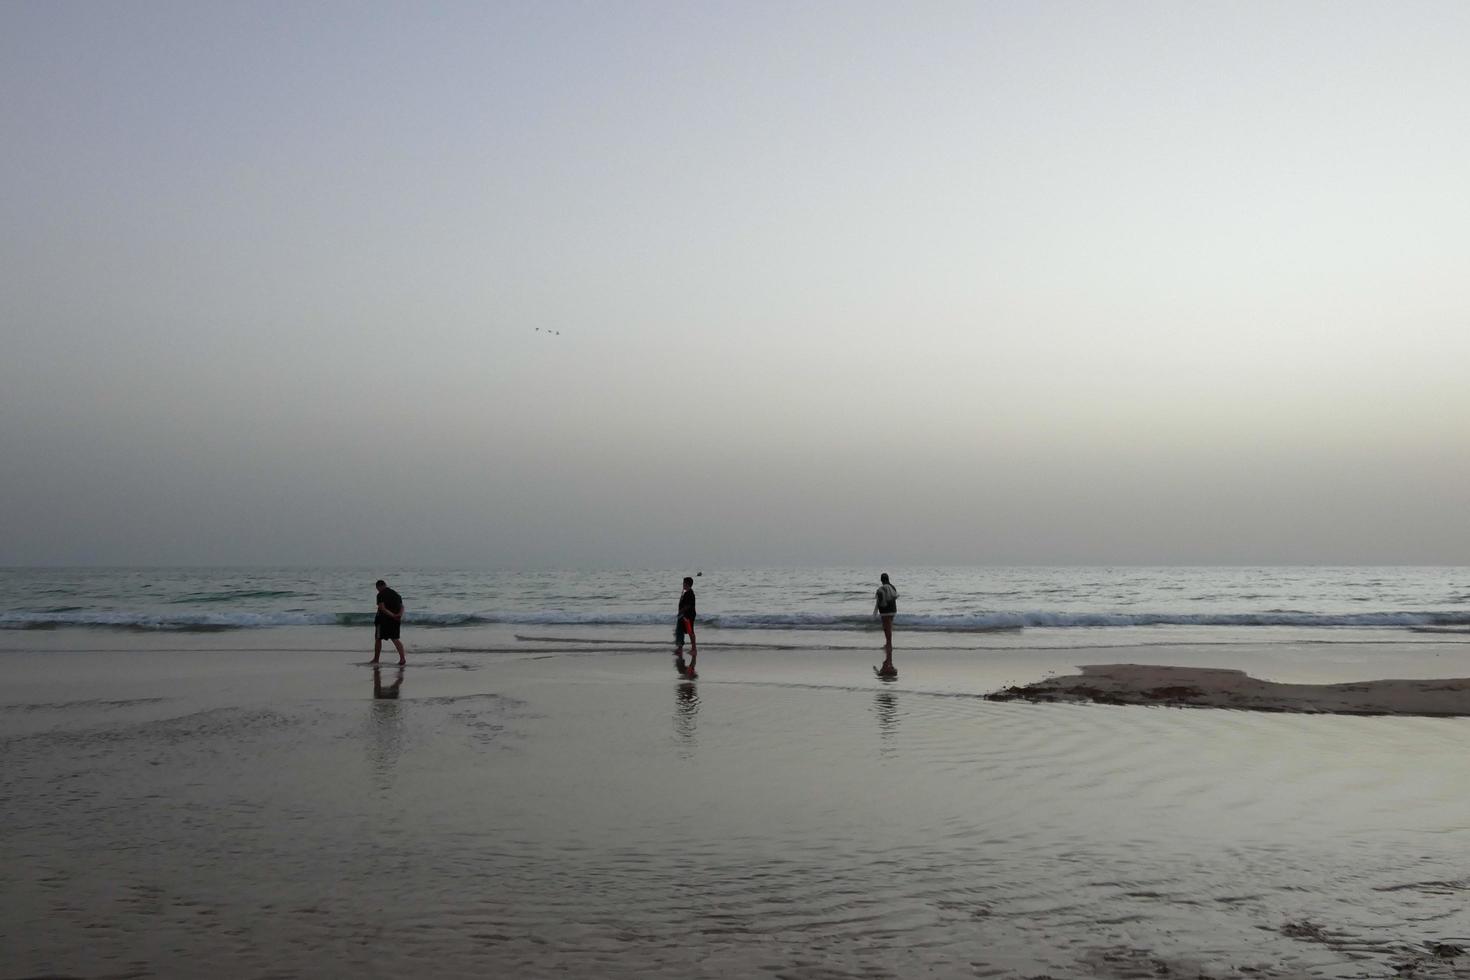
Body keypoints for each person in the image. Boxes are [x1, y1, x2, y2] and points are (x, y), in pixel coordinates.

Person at [372, 579, 406, 666]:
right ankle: (402, 658)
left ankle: (376, 659)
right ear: (385, 584)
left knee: (378, 639)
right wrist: (398, 615)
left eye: (377, 588)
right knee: (395, 639)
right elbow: (402, 606)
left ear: (378, 587)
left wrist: (392, 615)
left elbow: (382, 608)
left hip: (382, 620)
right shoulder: (396, 594)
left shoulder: (380, 594)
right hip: (395, 620)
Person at [874, 572, 898, 676]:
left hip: (884, 611)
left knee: (886, 627)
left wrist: (876, 611)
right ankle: (888, 643)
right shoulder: (893, 587)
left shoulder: (880, 589)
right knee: (889, 627)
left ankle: (889, 644)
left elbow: (879, 602)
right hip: (893, 610)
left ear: (881, 580)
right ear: (888, 579)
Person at [673, 576, 698, 676]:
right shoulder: (685, 592)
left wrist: (682, 611)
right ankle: (680, 648)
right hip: (683, 615)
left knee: (690, 631)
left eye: (684, 583)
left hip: (688, 615)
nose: (683, 585)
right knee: (680, 631)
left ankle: (694, 649)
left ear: (688, 584)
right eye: (683, 583)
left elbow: (689, 605)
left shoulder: (690, 593)